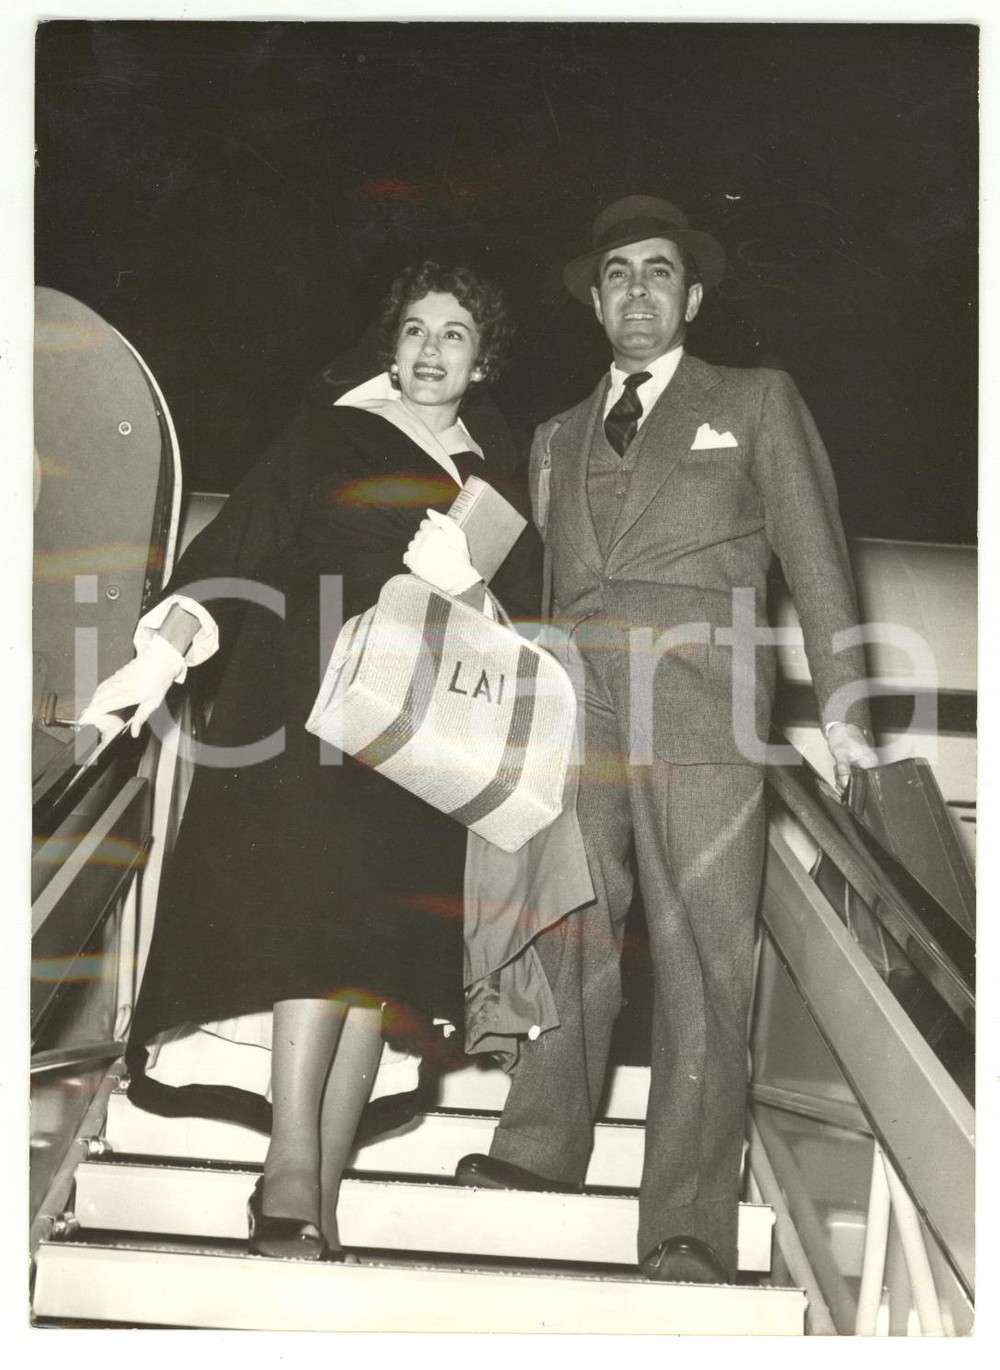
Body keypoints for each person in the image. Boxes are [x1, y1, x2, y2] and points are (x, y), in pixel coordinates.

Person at [454, 196, 878, 1284]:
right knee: (567, 919)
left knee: (703, 944)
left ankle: (684, 1214)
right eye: (616, 276)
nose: (636, 292)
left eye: (657, 273)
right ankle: (539, 1148)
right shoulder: (551, 437)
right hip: (573, 695)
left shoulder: (754, 399)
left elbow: (819, 560)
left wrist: (843, 708)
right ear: (596, 302)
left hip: (705, 696)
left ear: (689, 297)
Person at [81, 260, 541, 1261]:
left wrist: (477, 587)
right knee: (312, 925)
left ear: (483, 358)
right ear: (392, 340)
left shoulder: (495, 467)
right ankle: (287, 1171)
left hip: (419, 729)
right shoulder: (334, 427)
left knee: (374, 956)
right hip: (301, 700)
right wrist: (163, 649)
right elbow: (243, 535)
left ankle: (318, 1197)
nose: (429, 348)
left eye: (454, 333)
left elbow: (521, 622)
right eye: (416, 327)